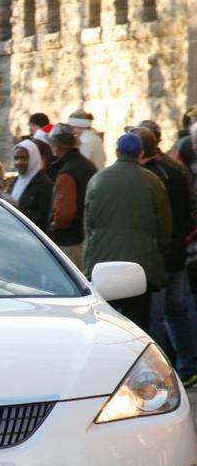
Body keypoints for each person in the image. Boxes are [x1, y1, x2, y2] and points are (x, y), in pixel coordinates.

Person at [131, 126, 197, 387]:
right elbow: (192, 208)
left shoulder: (146, 176)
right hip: (177, 252)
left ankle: (162, 372)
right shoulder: (176, 168)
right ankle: (190, 366)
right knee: (179, 311)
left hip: (158, 255)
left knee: (156, 316)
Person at [83, 133, 171, 329]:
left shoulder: (97, 179)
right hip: (140, 265)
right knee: (138, 325)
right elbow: (164, 227)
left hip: (102, 262)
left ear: (116, 152)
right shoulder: (152, 181)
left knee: (105, 324)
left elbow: (88, 225)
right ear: (140, 153)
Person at [46, 123, 97, 270]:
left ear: (56, 145)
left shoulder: (67, 173)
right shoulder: (88, 165)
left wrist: (54, 225)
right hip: (84, 238)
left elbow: (64, 215)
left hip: (69, 243)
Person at [8, 139, 52, 231]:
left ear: (33, 158)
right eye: (16, 158)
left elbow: (43, 217)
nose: (19, 162)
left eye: (24, 158)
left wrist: (17, 210)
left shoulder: (44, 184)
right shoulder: (16, 180)